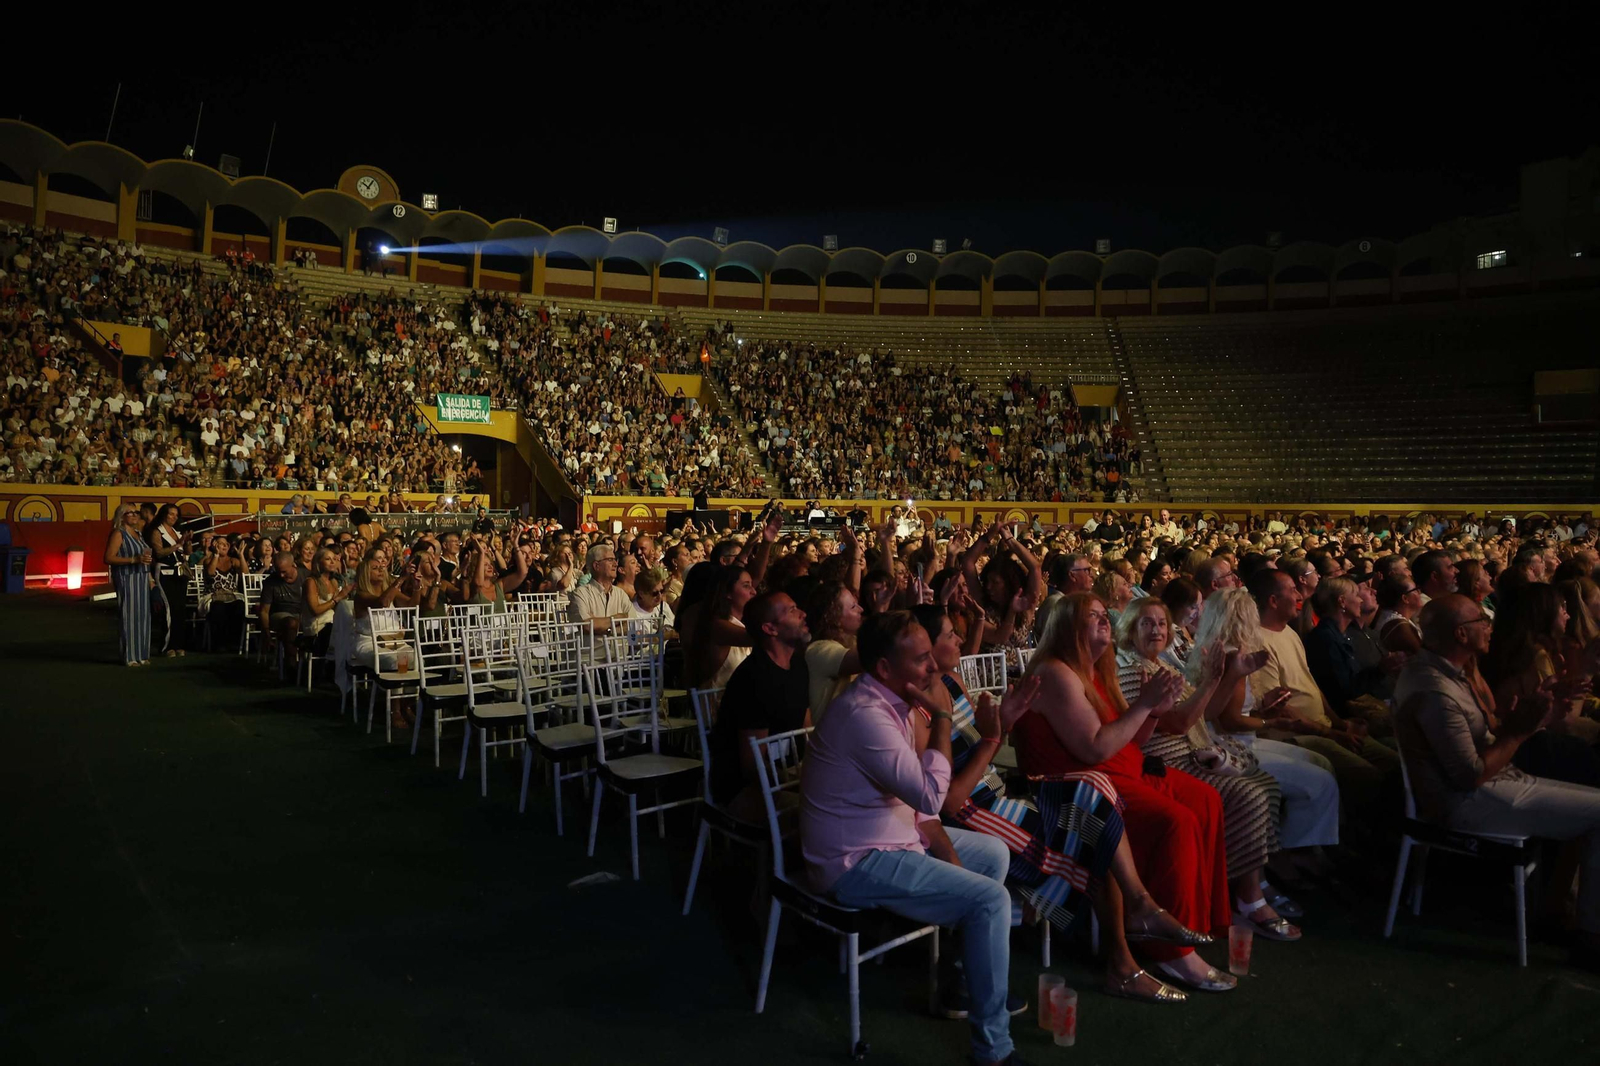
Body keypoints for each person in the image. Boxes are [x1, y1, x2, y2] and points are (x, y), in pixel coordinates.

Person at [906, 605, 1187, 1004]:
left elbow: (983, 741)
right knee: (1092, 834)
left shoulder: (951, 681)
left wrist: (1005, 718)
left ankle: (1139, 907)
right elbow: (948, 802)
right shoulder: (916, 714)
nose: (958, 640)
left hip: (996, 790)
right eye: (949, 635)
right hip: (971, 812)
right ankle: (1123, 964)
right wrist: (991, 739)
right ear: (926, 650)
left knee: (1095, 787)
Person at [800, 611, 1022, 1066]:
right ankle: (994, 1050)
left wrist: (943, 849)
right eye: (921, 660)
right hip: (853, 860)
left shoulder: (892, 700)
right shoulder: (866, 715)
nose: (933, 667)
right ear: (883, 668)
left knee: (993, 854)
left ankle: (962, 976)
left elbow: (922, 805)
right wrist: (941, 716)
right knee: (990, 901)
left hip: (892, 838)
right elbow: (928, 792)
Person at [1014, 593, 1235, 991]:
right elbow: (1093, 748)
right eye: (1091, 616)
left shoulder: (1100, 666)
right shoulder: (1057, 672)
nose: (1103, 621)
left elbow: (1128, 739)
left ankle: (1196, 922)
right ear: (1068, 627)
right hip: (1076, 787)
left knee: (1207, 798)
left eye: (1104, 614)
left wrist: (1151, 710)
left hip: (1118, 767)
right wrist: (1145, 705)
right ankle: (1172, 954)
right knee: (1176, 821)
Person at [1394, 595, 1600, 970]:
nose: (1489, 626)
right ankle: (1590, 938)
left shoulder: (1449, 674)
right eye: (1480, 622)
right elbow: (1470, 774)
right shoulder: (1435, 690)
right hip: (1465, 804)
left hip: (1492, 786)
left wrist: (1541, 713)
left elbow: (1491, 737)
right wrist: (1521, 731)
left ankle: (1561, 917)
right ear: (1461, 633)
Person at [1115, 597, 1300, 940]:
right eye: (1147, 623)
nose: (1156, 629)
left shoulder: (1162, 666)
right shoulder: (1132, 670)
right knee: (1249, 794)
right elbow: (1179, 723)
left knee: (1264, 785)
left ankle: (1248, 882)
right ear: (1129, 631)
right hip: (1167, 764)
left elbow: (1207, 712)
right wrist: (1215, 677)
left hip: (1192, 756)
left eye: (1161, 623)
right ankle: (1248, 897)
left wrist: (1230, 675)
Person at [1193, 588, 1341, 885]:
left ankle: (1299, 845)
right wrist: (1272, 720)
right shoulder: (1232, 656)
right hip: (1231, 746)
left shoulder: (1222, 649)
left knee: (1319, 762)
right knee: (1321, 781)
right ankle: (1290, 851)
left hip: (1237, 740)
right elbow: (1230, 720)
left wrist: (1263, 706)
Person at [1245, 569, 1400, 823]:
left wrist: (1340, 723)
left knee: (1395, 762)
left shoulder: (1289, 632)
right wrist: (1331, 733)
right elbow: (1278, 709)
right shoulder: (1258, 642)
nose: (1299, 595)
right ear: (1273, 601)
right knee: (1371, 777)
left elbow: (1311, 686)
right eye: (1292, 590)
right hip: (1295, 737)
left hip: (1322, 727)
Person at [708, 591, 811, 821]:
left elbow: (806, 733)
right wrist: (804, 787)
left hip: (786, 772)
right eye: (792, 610)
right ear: (770, 629)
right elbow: (752, 767)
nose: (803, 614)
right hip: (742, 789)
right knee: (822, 815)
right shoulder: (753, 679)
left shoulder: (798, 665)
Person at [803, 580, 863, 725]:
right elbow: (871, 658)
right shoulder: (818, 650)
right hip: (832, 743)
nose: (861, 609)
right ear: (833, 617)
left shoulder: (853, 641)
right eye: (853, 606)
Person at [105, 502, 154, 666]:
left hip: (142, 578)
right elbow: (108, 558)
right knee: (129, 617)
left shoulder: (138, 534)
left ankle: (142, 653)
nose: (134, 515)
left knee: (143, 617)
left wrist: (150, 578)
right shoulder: (118, 534)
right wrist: (133, 560)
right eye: (130, 513)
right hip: (127, 578)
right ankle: (130, 655)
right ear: (122, 516)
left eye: (136, 512)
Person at [145, 503, 190, 656]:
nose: (173, 517)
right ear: (164, 514)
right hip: (164, 573)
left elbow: (186, 552)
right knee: (169, 609)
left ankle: (179, 644)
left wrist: (187, 541)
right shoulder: (157, 532)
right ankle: (167, 646)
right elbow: (159, 552)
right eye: (171, 514)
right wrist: (178, 544)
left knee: (180, 610)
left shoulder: (177, 532)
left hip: (179, 574)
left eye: (176, 515)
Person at [568, 544, 634, 634]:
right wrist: (618, 618)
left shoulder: (620, 594)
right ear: (596, 565)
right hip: (593, 648)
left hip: (620, 647)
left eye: (615, 560)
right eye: (610, 560)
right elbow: (587, 626)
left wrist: (606, 629)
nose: (616, 564)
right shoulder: (580, 594)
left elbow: (633, 624)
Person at [259, 551, 307, 667]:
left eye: (284, 571)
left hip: (303, 613)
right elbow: (264, 610)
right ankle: (291, 663)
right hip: (280, 614)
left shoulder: (306, 577)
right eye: (278, 571)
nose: (281, 575)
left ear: (293, 565)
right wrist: (266, 631)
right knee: (291, 623)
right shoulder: (271, 582)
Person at [204, 534, 246, 652]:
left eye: (226, 544)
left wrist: (241, 556)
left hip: (232, 595)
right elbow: (211, 573)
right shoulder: (209, 560)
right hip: (214, 595)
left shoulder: (233, 561)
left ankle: (234, 643)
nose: (224, 546)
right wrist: (216, 555)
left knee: (239, 606)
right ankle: (219, 644)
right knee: (218, 607)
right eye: (221, 544)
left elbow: (245, 574)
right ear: (214, 545)